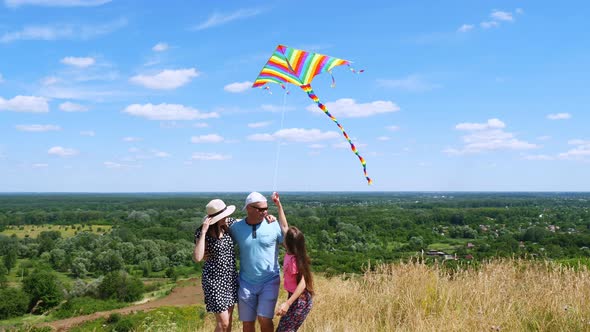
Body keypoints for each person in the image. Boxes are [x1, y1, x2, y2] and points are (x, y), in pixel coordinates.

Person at [229, 192, 288, 332]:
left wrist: (279, 207)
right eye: (260, 209)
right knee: (247, 323)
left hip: (270, 280)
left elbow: (287, 242)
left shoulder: (272, 224)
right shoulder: (236, 228)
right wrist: (207, 252)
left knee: (264, 318)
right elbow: (221, 240)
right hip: (245, 282)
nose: (265, 212)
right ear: (248, 208)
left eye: (266, 208)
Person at [194, 199, 239, 332]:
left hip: (230, 279)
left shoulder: (228, 223)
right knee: (223, 323)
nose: (227, 217)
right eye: (224, 215)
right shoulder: (202, 232)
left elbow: (248, 222)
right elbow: (197, 257)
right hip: (214, 281)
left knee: (229, 322)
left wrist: (267, 218)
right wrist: (203, 232)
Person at [275, 226, 314, 332]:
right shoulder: (290, 252)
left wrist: (287, 303)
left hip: (300, 301)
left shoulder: (296, 260)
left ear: (287, 242)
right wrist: (279, 208)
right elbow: (284, 227)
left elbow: (303, 283)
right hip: (295, 298)